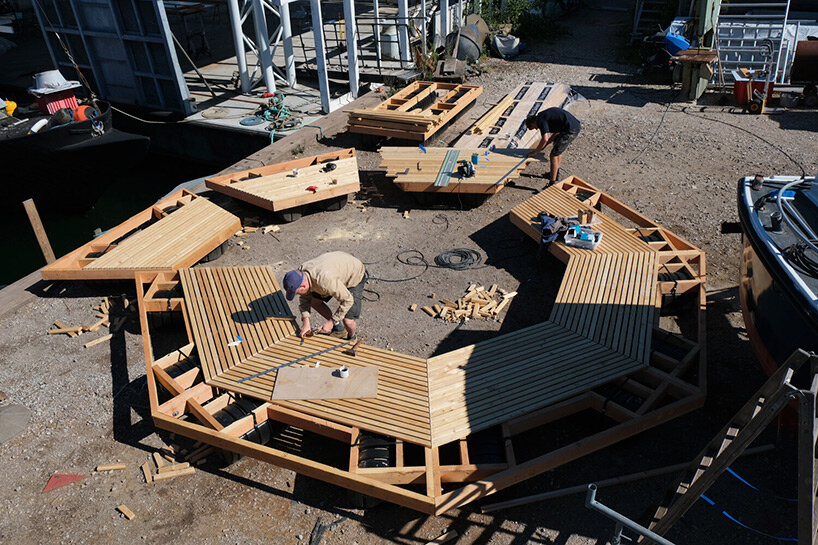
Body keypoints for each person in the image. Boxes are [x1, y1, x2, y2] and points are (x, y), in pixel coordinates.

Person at [283, 251, 367, 341]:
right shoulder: (300, 274)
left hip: (354, 274)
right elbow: (305, 297)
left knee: (347, 320)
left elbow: (348, 300)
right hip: (335, 270)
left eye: (297, 292)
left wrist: (331, 322)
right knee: (314, 302)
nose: (298, 295)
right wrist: (306, 322)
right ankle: (339, 329)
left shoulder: (325, 281)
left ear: (303, 286)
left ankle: (352, 337)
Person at [525, 107, 581, 185]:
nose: (536, 128)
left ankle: (552, 183)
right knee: (557, 148)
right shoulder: (543, 116)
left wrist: (535, 152)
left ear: (533, 122)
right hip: (571, 126)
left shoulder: (541, 120)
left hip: (570, 130)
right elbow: (556, 133)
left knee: (553, 155)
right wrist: (545, 145)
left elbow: (545, 138)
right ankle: (555, 173)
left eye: (533, 127)